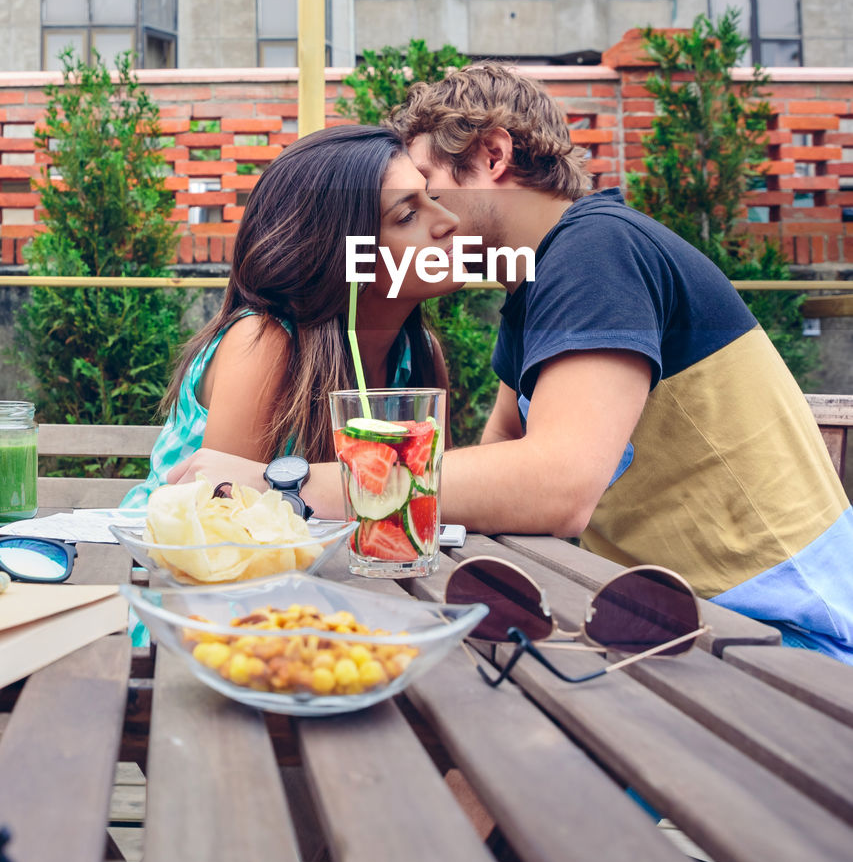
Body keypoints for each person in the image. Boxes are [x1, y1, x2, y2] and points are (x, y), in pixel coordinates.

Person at [169, 65, 853, 663]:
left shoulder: (595, 253)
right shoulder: (538, 290)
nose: (434, 218)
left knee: (491, 706)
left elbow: (553, 485)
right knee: (477, 688)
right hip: (688, 623)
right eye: (411, 207)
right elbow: (500, 475)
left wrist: (286, 483)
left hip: (783, 632)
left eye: (432, 189)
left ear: (492, 155)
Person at [122, 124, 461, 510]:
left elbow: (436, 500)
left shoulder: (418, 355)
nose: (448, 219)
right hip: (151, 563)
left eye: (432, 197)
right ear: (338, 251)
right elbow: (219, 520)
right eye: (407, 215)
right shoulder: (265, 341)